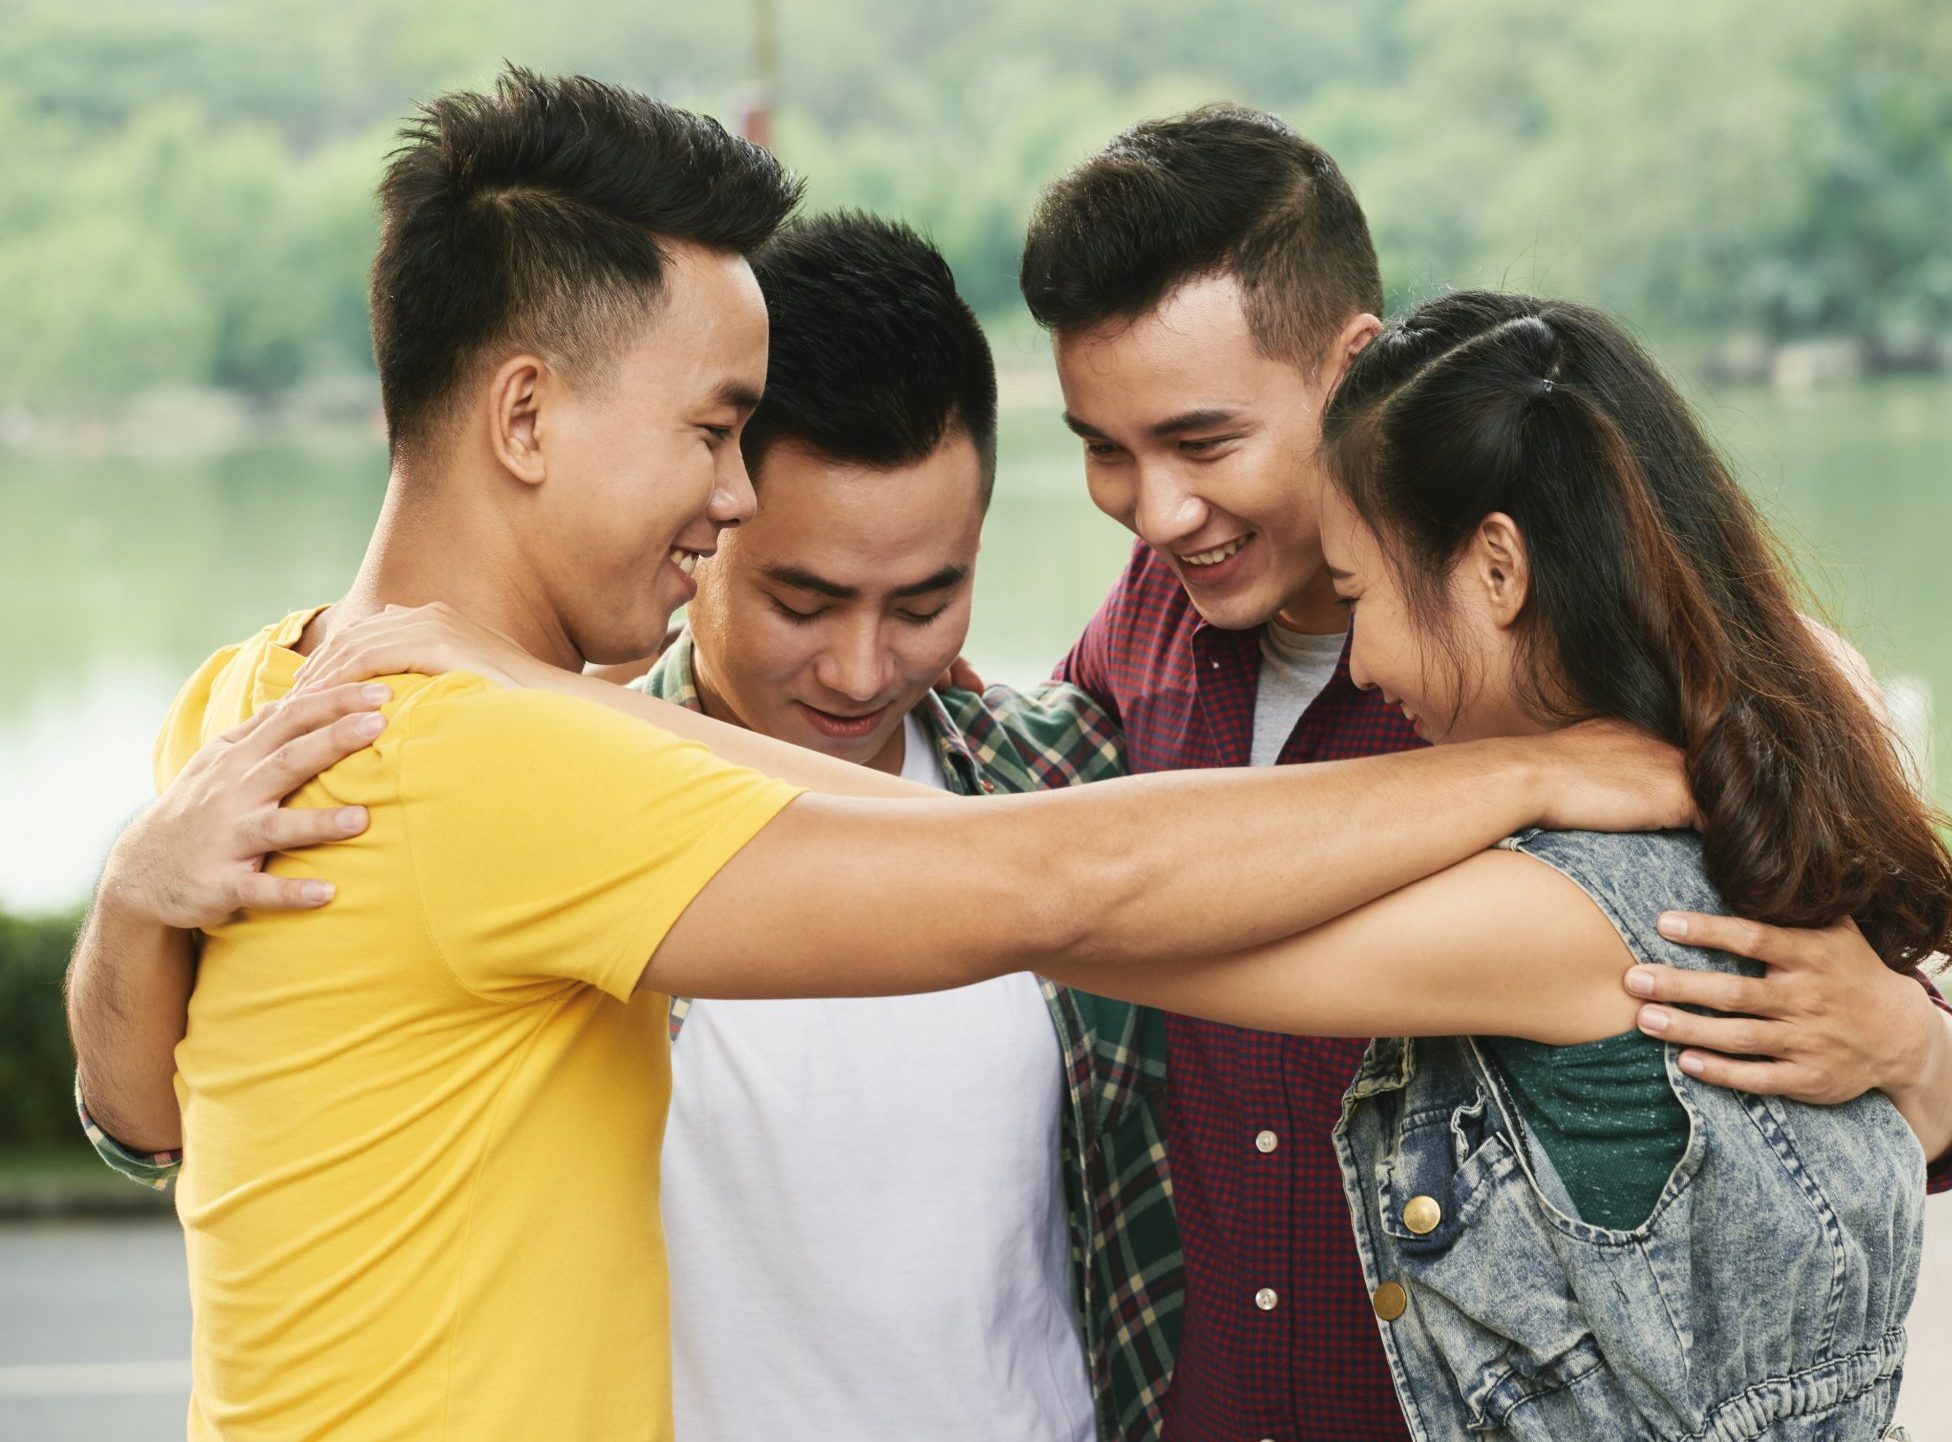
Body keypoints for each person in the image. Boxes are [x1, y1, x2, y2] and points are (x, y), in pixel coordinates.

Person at [60, 70, 1685, 1442]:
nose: (726, 494)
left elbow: (142, 1105)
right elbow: (1059, 873)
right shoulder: (477, 755)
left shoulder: (265, 693)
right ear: (529, 418)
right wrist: (1523, 779)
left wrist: (131, 904)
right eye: (710, 428)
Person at [79, 210, 1181, 1440]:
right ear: (707, 528)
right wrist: (131, 893)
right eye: (802, 599)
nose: (864, 668)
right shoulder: (540, 793)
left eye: (924, 600)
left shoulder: (1069, 771)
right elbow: (159, 1131)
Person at [1018, 103, 1952, 1436]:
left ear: (1350, 364)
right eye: (1101, 450)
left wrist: (1916, 1048)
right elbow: (1022, 811)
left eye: (1200, 445)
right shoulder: (1143, 626)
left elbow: (1834, 1133)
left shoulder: (1632, 712)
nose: (1156, 510)